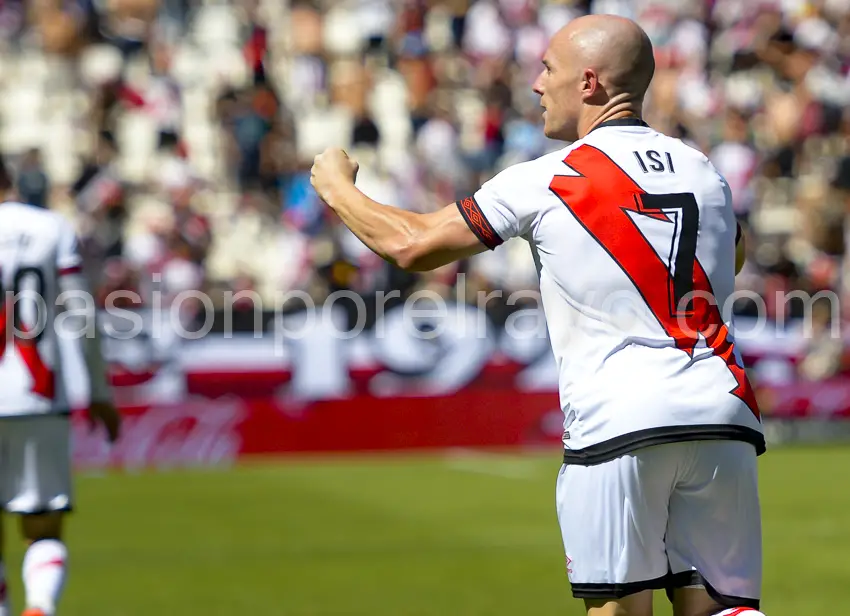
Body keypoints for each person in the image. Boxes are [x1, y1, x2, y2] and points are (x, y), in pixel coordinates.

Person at [310, 13, 766, 616]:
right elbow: (733, 250)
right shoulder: (703, 169)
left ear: (588, 83)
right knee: (722, 611)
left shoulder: (547, 179)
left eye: (548, 68)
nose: (535, 83)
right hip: (722, 410)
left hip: (619, 418)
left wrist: (338, 188)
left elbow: (412, 245)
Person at [0, 158, 120, 616]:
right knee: (42, 526)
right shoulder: (51, 228)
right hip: (38, 393)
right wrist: (100, 393)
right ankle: (41, 605)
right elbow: (80, 315)